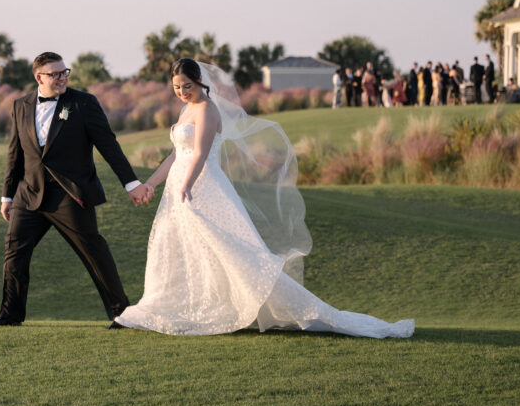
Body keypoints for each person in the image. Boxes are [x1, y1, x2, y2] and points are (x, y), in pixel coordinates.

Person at [114, 59, 413, 338]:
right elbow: (176, 155)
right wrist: (151, 183)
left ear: (199, 82)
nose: (182, 93)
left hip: (203, 187)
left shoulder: (206, 110)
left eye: (187, 86)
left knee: (233, 250)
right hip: (180, 186)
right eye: (177, 88)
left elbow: (201, 154)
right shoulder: (186, 110)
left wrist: (187, 184)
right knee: (185, 246)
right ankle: (191, 305)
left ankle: (296, 309)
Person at [0, 52, 150, 328]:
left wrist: (132, 183)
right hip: (29, 193)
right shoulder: (20, 105)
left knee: (93, 252)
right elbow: (15, 154)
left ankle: (123, 315)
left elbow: (109, 145)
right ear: (39, 77)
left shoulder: (83, 103)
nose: (62, 78)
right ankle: (9, 315)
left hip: (70, 195)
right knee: (14, 253)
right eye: (55, 74)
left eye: (64, 72)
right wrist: (7, 195)